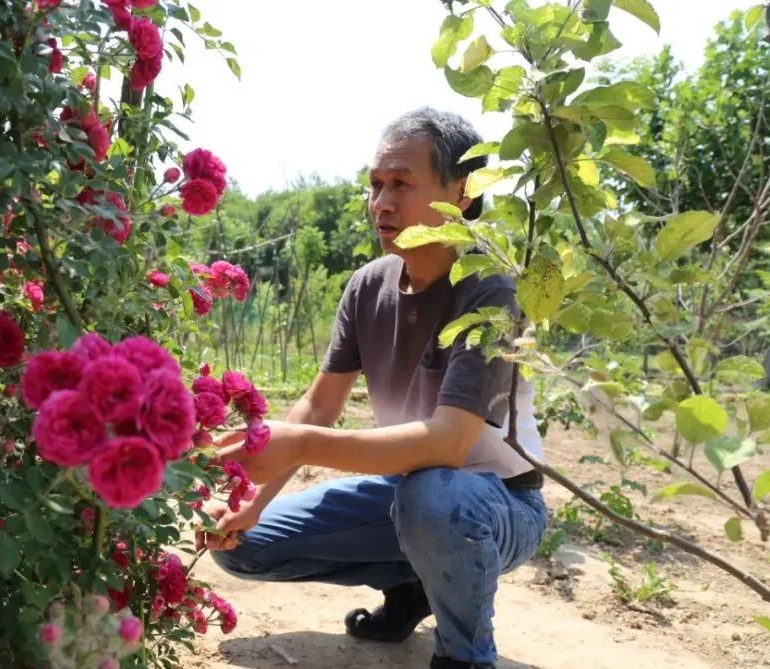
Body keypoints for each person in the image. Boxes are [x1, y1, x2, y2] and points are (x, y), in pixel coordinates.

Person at [197, 107, 548, 669]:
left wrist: (305, 443)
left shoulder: (489, 286)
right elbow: (320, 403)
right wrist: (250, 501)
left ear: (461, 191)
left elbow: (447, 445)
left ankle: (464, 656)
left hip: (499, 502)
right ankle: (413, 584)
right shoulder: (368, 286)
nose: (381, 202)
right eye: (376, 185)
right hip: (408, 494)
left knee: (433, 496)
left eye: (402, 184)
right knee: (248, 549)